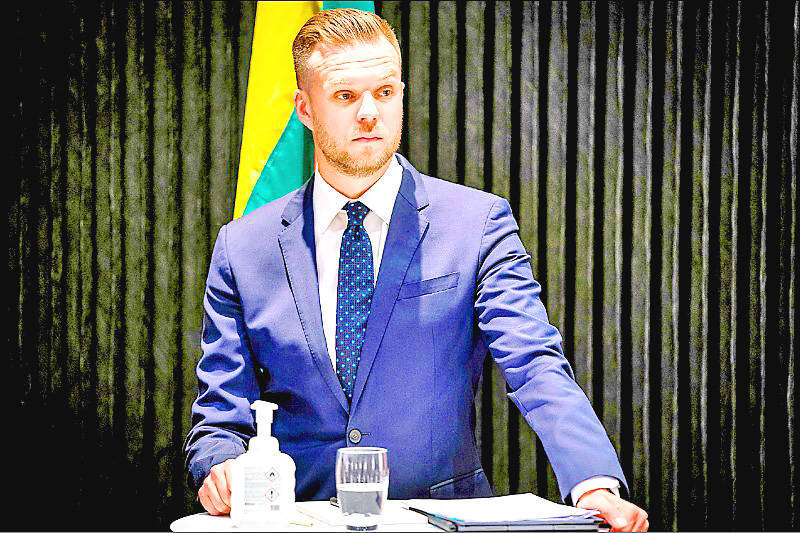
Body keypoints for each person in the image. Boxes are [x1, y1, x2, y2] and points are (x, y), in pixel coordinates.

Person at [184, 8, 648, 532]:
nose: (369, 114)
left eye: (385, 92)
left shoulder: (477, 224)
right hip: (296, 522)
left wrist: (593, 482)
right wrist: (219, 466)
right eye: (344, 96)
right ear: (304, 109)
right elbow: (221, 413)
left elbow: (534, 360)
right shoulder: (243, 246)